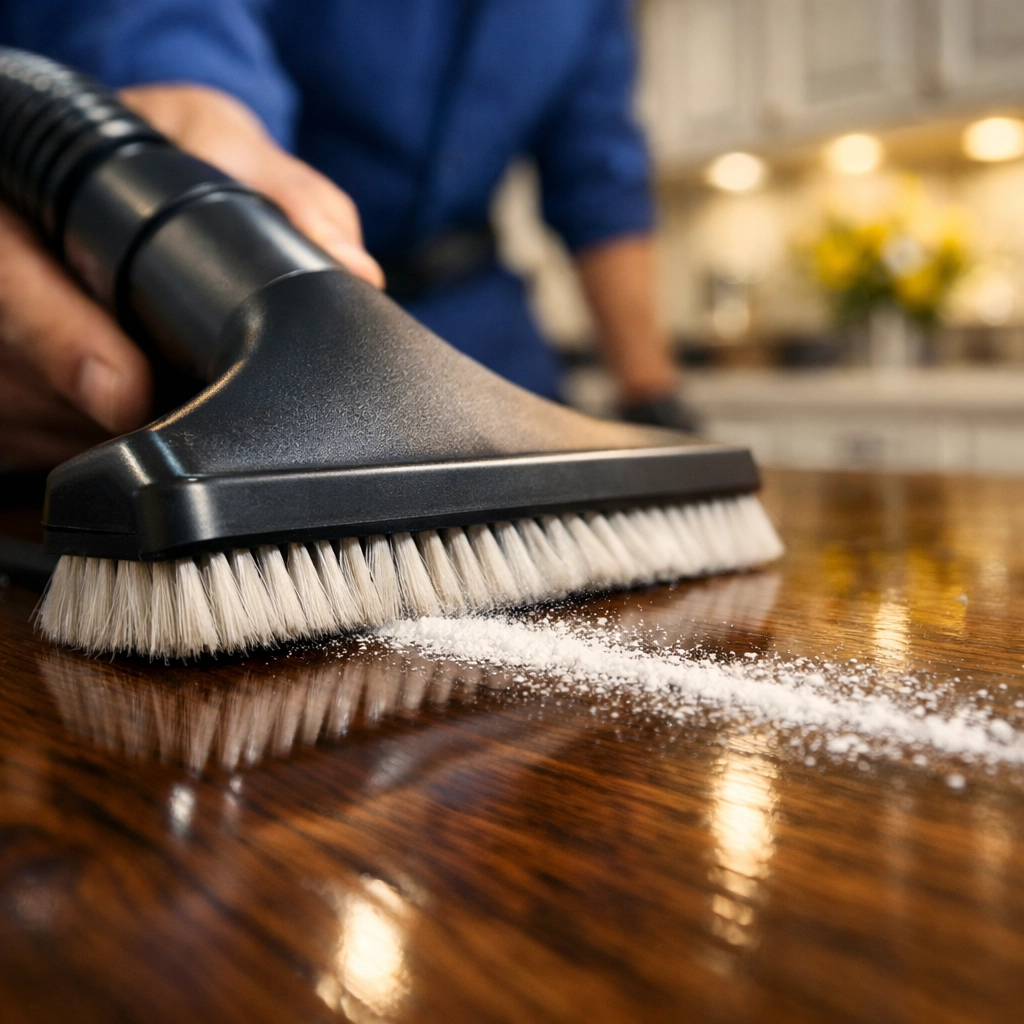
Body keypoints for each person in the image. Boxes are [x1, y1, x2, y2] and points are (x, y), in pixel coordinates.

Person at [0, 0, 697, 471]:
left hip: (490, 350)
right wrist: (191, 125)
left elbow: (600, 176)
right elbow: (178, 24)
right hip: (249, 322)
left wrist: (650, 393)